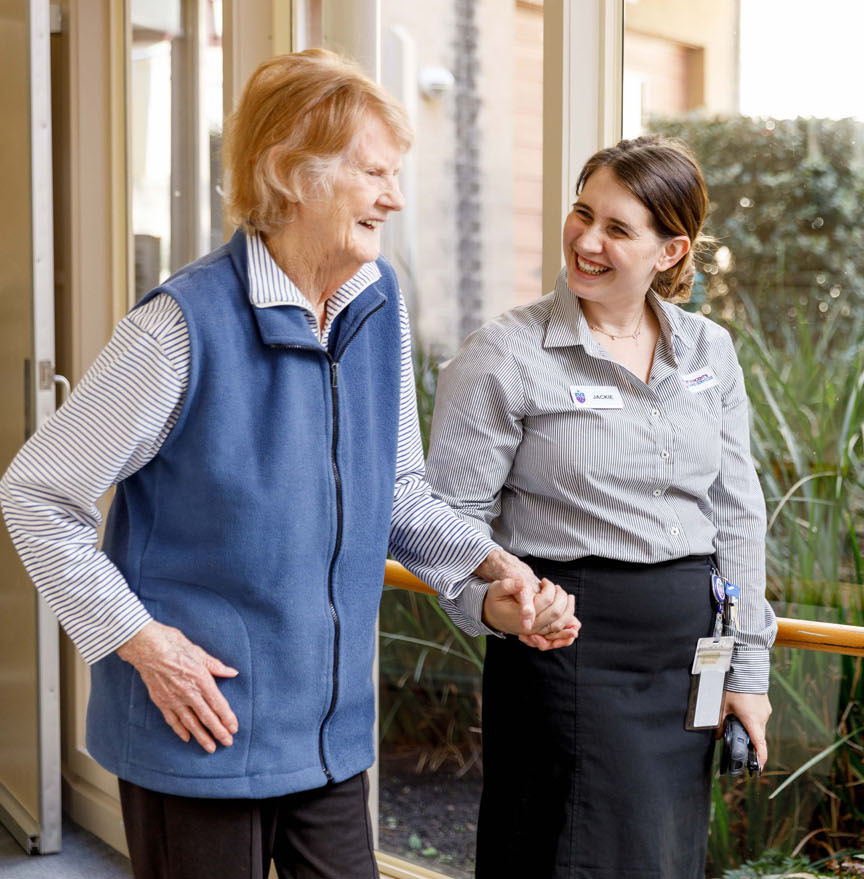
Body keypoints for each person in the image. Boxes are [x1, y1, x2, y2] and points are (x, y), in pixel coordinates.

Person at [0, 48, 578, 879]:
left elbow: (400, 494)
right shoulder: (177, 328)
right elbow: (37, 494)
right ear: (292, 174)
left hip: (329, 737)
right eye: (373, 172)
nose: (394, 196)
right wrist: (140, 641)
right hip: (201, 730)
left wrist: (497, 565)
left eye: (394, 173)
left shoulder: (377, 304)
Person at [426, 135, 777, 878]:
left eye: (617, 228)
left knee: (661, 858)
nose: (586, 240)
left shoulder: (710, 353)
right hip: (564, 646)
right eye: (582, 213)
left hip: (686, 658)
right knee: (563, 855)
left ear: (671, 249)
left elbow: (738, 513)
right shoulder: (504, 355)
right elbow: (444, 521)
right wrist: (496, 607)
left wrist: (747, 671)